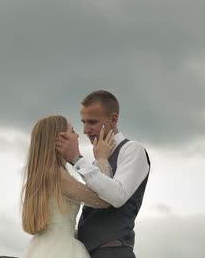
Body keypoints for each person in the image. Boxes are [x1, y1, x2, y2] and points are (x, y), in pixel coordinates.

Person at [56, 90, 151, 258]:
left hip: (112, 251)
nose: (85, 130)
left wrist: (77, 159)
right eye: (83, 122)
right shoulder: (97, 162)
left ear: (113, 119)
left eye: (92, 122)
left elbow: (117, 197)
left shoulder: (132, 150)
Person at [21, 115, 116, 258]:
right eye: (72, 131)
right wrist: (102, 159)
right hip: (61, 250)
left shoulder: (44, 174)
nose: (77, 135)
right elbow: (102, 200)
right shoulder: (56, 175)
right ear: (60, 139)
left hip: (43, 248)